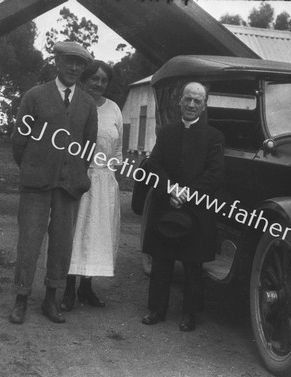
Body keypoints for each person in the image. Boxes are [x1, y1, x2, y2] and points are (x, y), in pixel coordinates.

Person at [9, 42, 98, 324]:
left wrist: (73, 172)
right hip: (37, 184)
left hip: (69, 186)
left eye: (80, 64)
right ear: (57, 61)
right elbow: (19, 143)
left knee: (62, 245)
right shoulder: (35, 96)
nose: (74, 67)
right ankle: (21, 299)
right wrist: (35, 167)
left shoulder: (87, 104)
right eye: (69, 61)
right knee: (29, 242)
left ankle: (51, 300)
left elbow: (88, 147)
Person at [141, 82, 225, 332]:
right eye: (187, 99)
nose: (191, 105)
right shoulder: (167, 132)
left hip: (197, 207)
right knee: (161, 260)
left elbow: (215, 174)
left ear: (204, 105)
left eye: (197, 101)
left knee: (193, 264)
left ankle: (190, 314)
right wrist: (171, 190)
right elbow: (154, 165)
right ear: (180, 101)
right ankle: (156, 309)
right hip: (167, 203)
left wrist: (187, 194)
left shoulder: (214, 137)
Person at [60, 60, 123, 311]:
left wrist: (110, 174)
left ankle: (86, 288)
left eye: (104, 80)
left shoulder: (115, 109)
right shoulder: (75, 105)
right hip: (78, 177)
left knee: (96, 236)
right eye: (94, 79)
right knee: (74, 234)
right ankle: (67, 291)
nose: (98, 84)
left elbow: (117, 150)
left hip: (104, 180)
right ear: (84, 80)